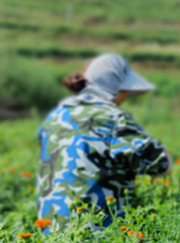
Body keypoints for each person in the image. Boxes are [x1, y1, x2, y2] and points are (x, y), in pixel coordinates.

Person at [36, 53, 171, 231]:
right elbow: (161, 164)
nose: (124, 97)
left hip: (49, 235)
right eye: (125, 91)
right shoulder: (114, 119)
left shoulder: (55, 117)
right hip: (95, 238)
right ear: (116, 88)